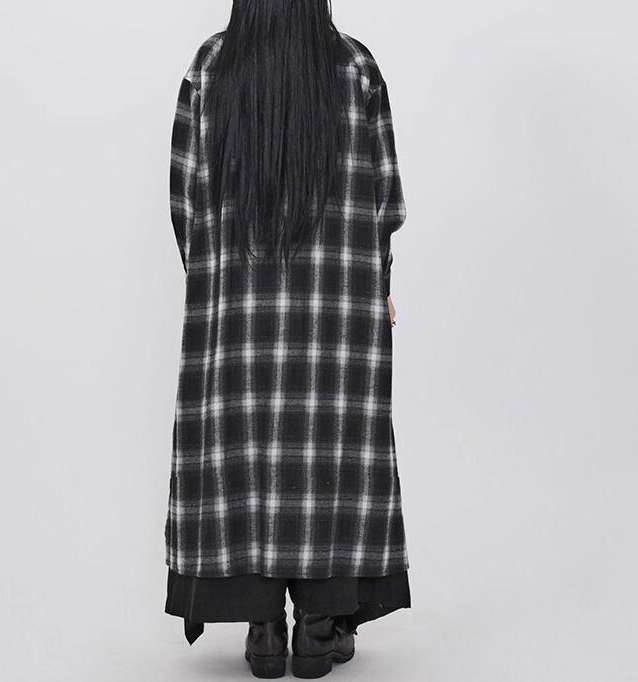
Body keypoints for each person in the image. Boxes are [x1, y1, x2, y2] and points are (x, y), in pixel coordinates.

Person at [164, 1, 410, 677]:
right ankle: (321, 626)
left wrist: (220, 284)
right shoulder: (355, 68)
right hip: (338, 316)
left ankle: (264, 628)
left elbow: (185, 205)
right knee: (332, 448)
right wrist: (376, 280)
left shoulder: (211, 68)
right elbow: (384, 202)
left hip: (235, 317)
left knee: (243, 449)